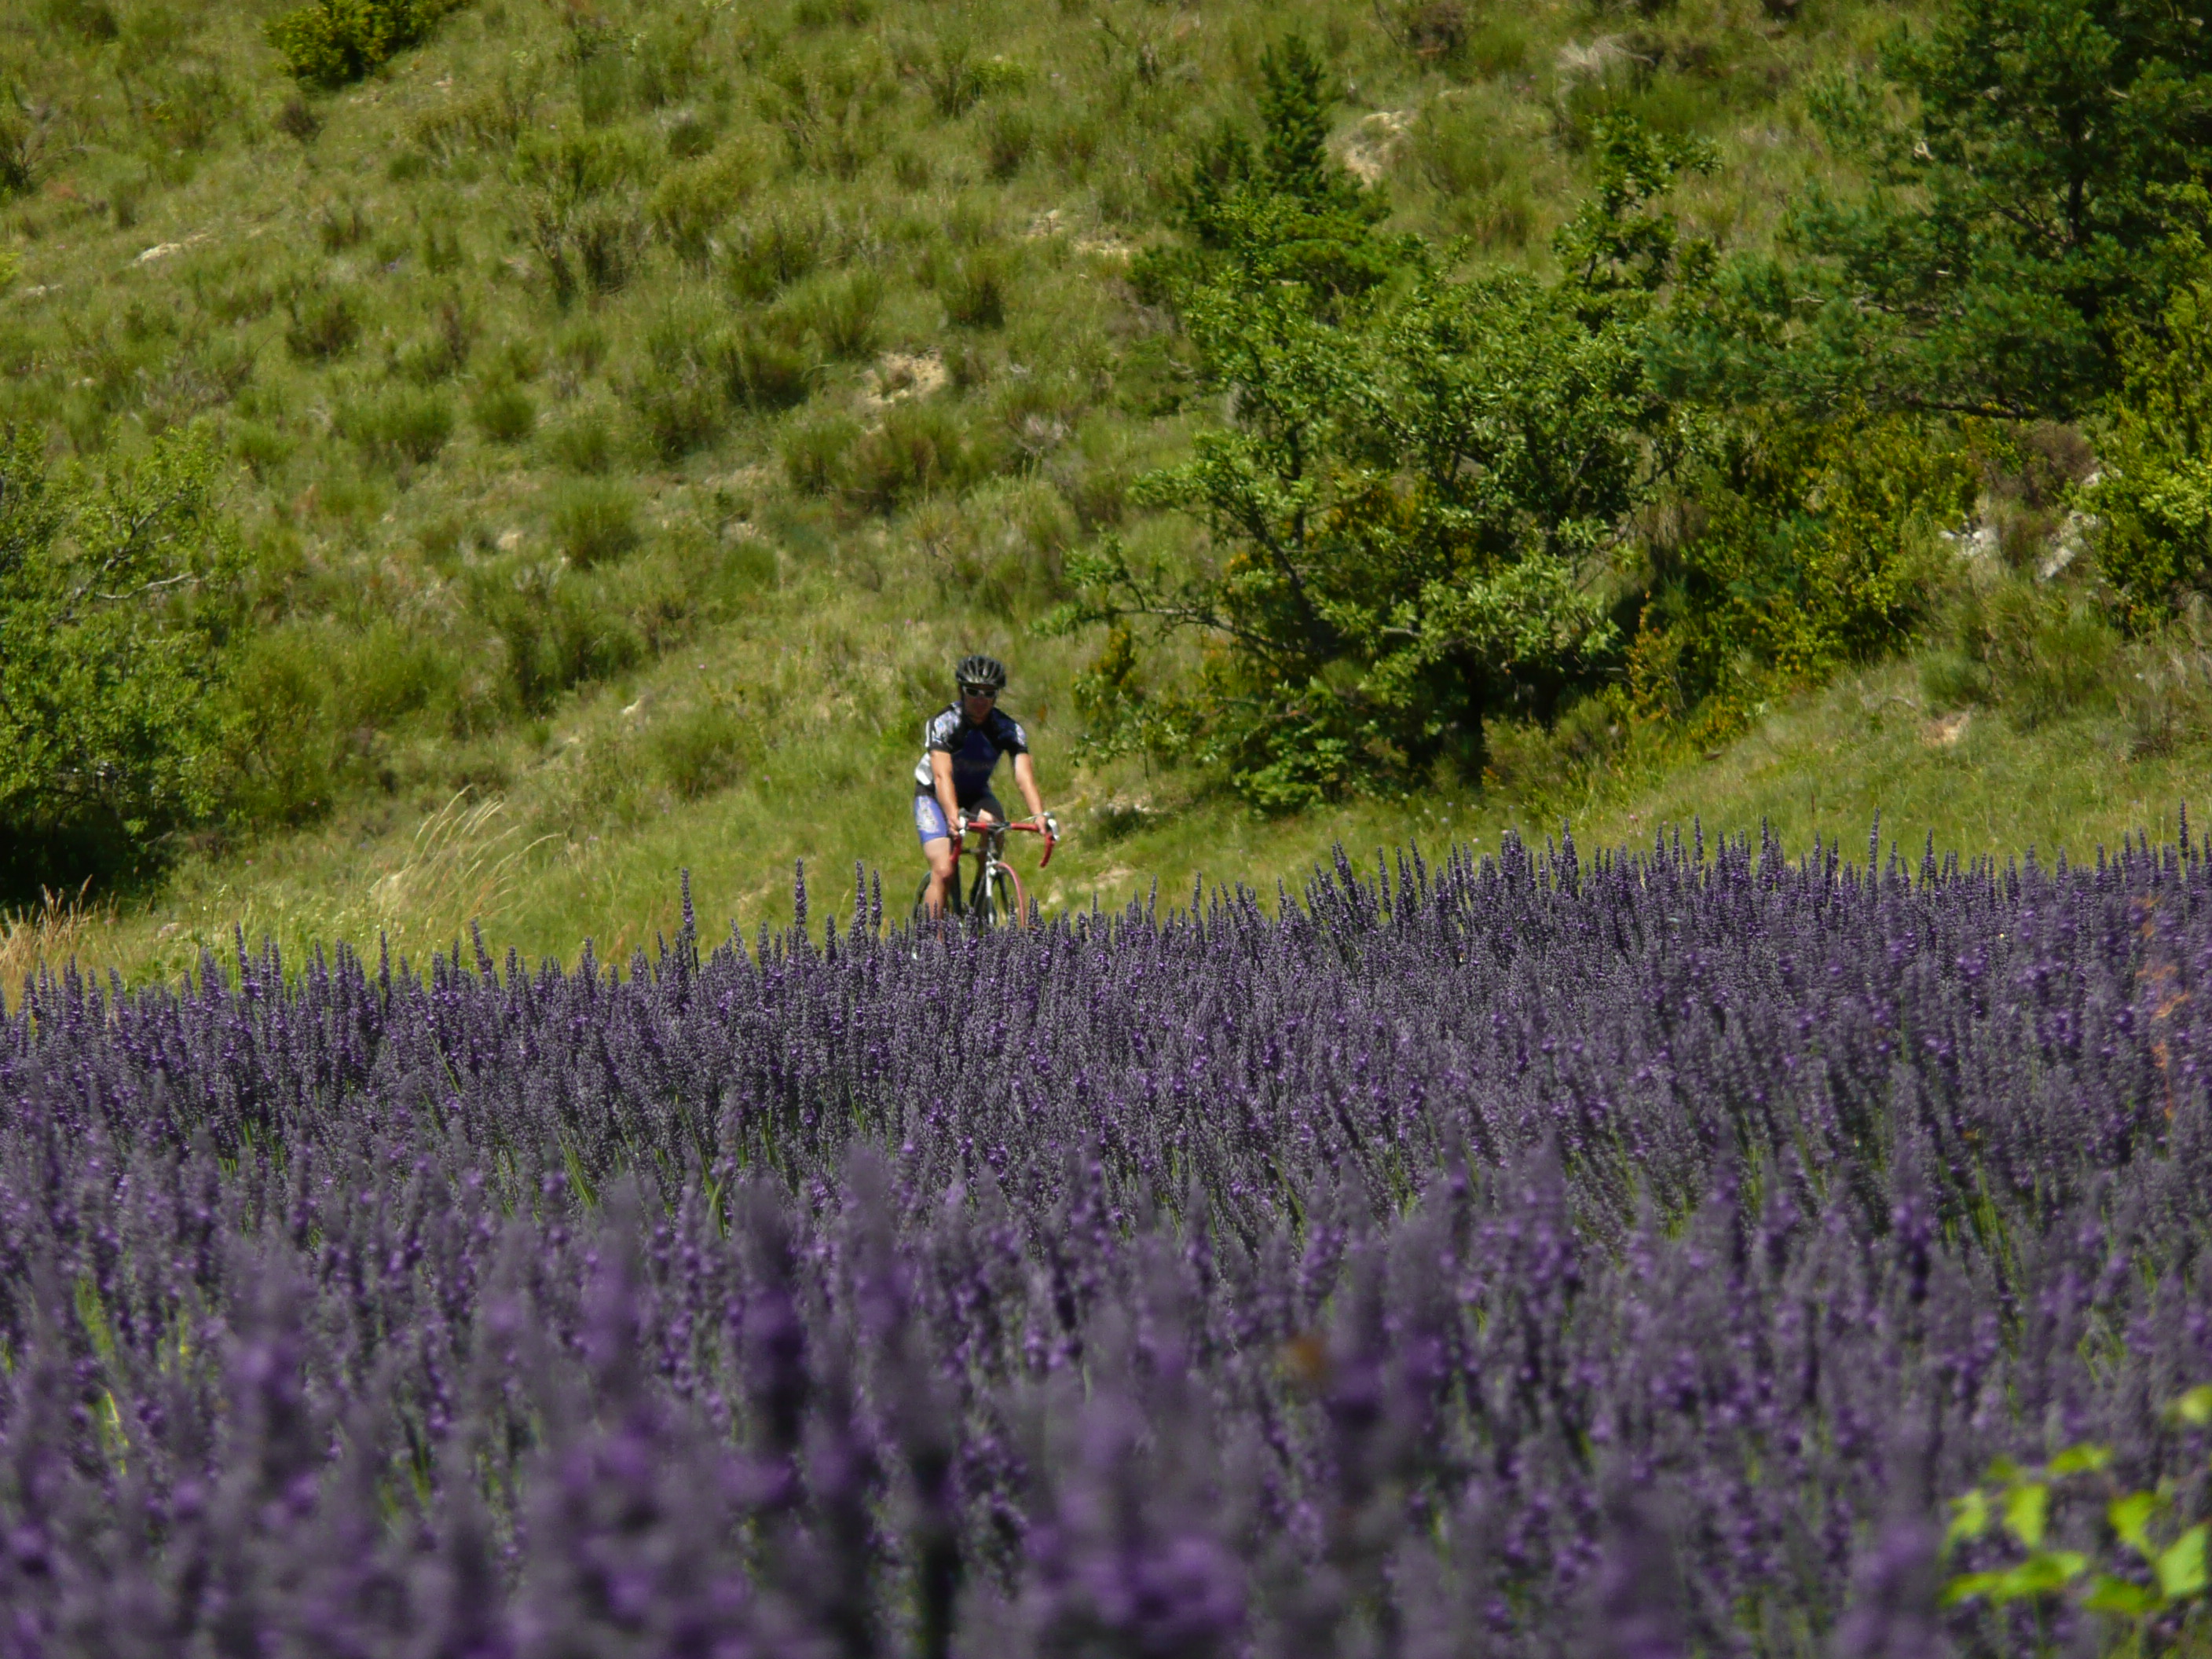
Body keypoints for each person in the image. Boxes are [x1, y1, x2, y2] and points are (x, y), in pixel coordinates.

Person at [914, 654, 1056, 917]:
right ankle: (930, 945)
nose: (980, 700)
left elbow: (1024, 776)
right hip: (934, 794)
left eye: (989, 693)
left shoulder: (1007, 728)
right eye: (973, 692)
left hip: (975, 792)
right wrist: (953, 817)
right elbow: (943, 776)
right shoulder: (944, 724)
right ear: (961, 691)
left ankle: (981, 892)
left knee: (995, 826)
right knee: (943, 870)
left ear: (997, 696)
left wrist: (1039, 815)